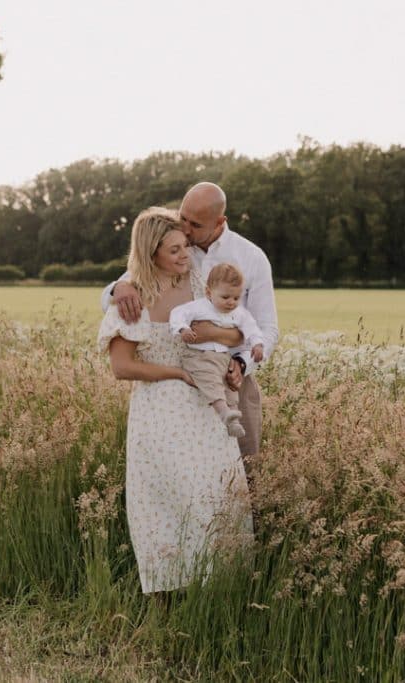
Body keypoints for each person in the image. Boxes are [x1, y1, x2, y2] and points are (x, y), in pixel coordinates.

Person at [97, 206, 252, 593]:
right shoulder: (132, 298)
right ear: (152, 254)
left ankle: (220, 591)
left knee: (214, 497)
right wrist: (179, 373)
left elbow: (237, 333)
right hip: (159, 412)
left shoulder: (201, 284)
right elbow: (122, 366)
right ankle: (165, 599)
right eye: (174, 251)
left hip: (206, 411)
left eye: (185, 246)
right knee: (164, 502)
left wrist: (228, 357)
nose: (185, 255)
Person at [103, 182, 278, 457]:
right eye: (182, 217)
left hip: (234, 379)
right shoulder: (175, 246)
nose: (184, 228)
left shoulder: (252, 258)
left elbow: (267, 328)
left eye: (194, 224)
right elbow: (130, 286)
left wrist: (243, 364)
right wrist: (118, 287)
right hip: (182, 386)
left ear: (220, 221)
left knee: (244, 469)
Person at [169, 262, 265, 439]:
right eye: (225, 297)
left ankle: (233, 419)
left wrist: (257, 344)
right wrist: (183, 329)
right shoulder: (198, 307)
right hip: (199, 356)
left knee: (230, 386)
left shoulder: (240, 313)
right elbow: (177, 313)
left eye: (236, 298)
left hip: (223, 357)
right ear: (208, 293)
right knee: (210, 380)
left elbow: (252, 329)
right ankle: (223, 412)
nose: (231, 302)